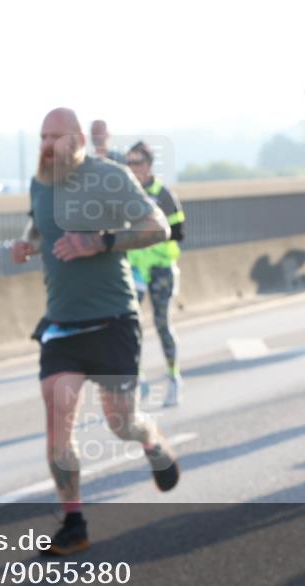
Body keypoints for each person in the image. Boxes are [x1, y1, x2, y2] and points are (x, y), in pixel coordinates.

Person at [12, 108, 180, 556]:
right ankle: (74, 523)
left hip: (112, 319)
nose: (48, 145)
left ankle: (151, 439)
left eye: (58, 136)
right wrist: (29, 242)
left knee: (121, 421)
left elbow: (157, 227)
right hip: (62, 323)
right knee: (57, 411)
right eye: (43, 136)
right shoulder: (40, 181)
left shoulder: (109, 177)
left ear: (79, 138)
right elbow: (37, 217)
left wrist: (100, 241)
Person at [125, 141, 186, 406]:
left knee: (162, 324)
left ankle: (173, 377)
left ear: (148, 165)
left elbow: (179, 233)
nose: (133, 168)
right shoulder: (124, 194)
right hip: (136, 270)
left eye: (137, 162)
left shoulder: (163, 194)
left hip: (161, 268)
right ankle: (139, 383)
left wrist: (151, 234)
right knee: (131, 328)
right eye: (129, 163)